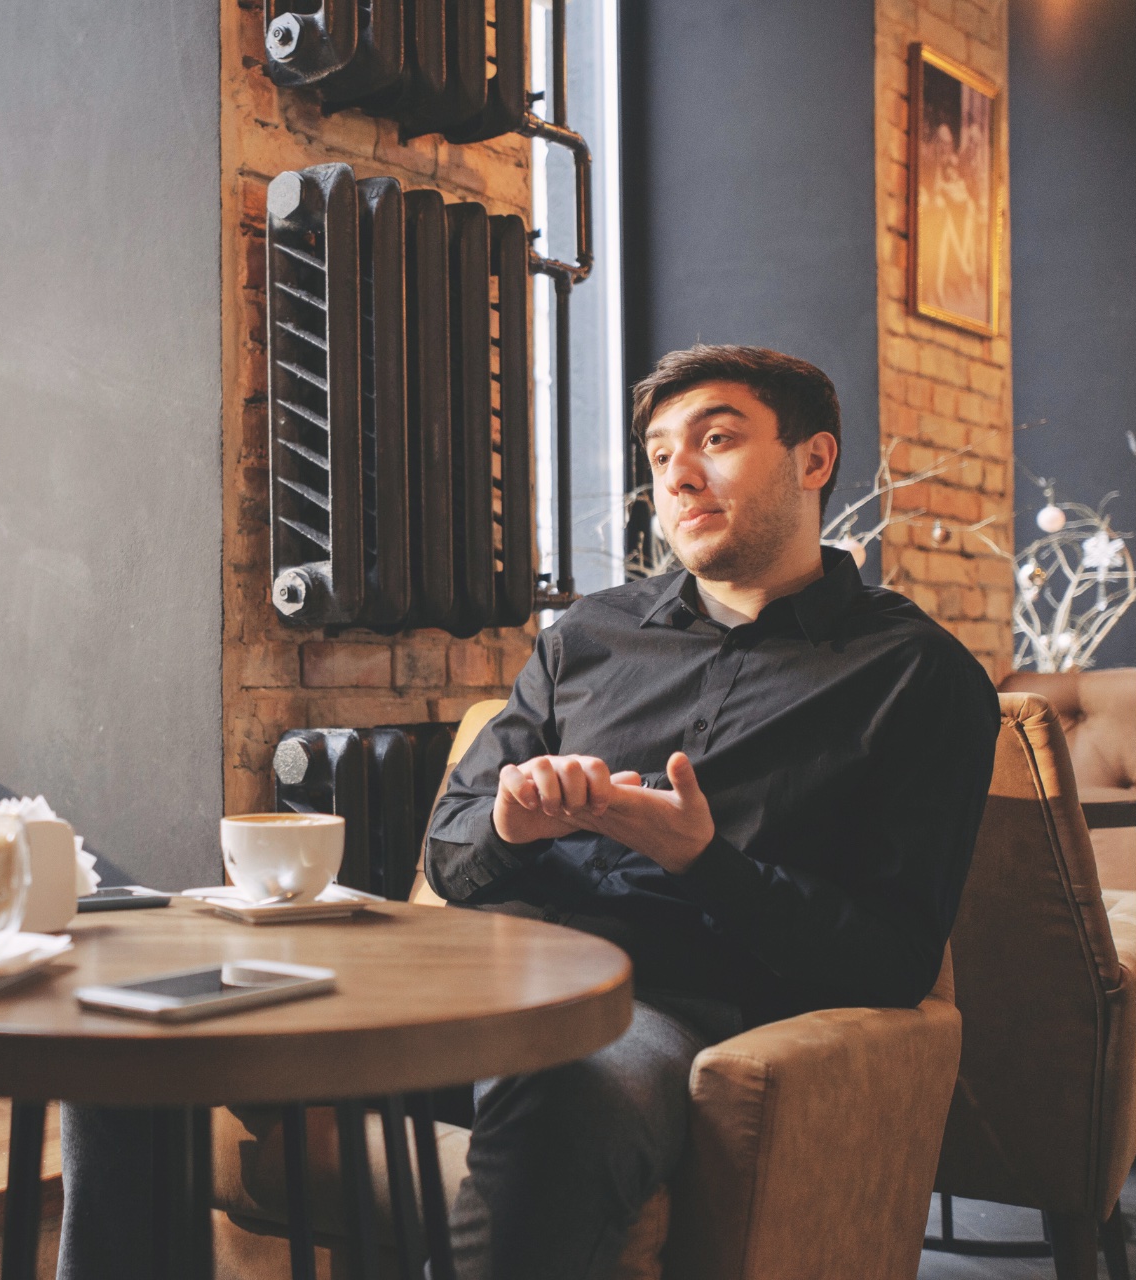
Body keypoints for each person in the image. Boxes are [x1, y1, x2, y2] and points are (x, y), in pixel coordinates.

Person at [424, 344, 998, 1278]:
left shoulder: (915, 676)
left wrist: (705, 861)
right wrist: (511, 825)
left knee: (554, 1085)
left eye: (717, 439)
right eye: (658, 456)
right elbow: (450, 850)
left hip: (661, 1007)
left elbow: (894, 959)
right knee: (155, 1044)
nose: (678, 476)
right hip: (481, 980)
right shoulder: (587, 637)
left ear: (814, 460)